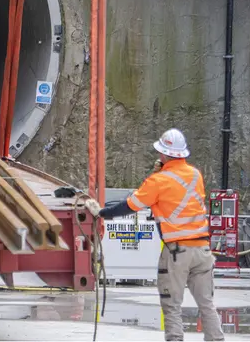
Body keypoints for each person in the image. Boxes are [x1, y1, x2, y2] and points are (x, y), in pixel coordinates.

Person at [85, 128, 225, 341]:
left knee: (172, 306)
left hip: (177, 252)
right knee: (207, 304)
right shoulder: (196, 175)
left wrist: (102, 213)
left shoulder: (158, 181)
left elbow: (131, 206)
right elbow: (178, 196)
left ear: (163, 154)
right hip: (203, 250)